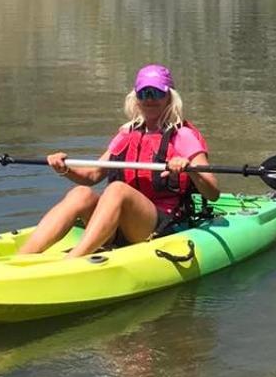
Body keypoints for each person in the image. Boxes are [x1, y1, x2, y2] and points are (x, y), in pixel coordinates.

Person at [19, 65, 218, 258]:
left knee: (116, 189)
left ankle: (72, 261)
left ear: (169, 97)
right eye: (143, 93)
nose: (149, 99)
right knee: (80, 193)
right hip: (119, 224)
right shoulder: (127, 133)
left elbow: (213, 193)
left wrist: (189, 169)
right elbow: (93, 176)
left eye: (156, 93)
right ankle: (22, 258)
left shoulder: (183, 135)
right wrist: (63, 169)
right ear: (136, 98)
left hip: (161, 225)